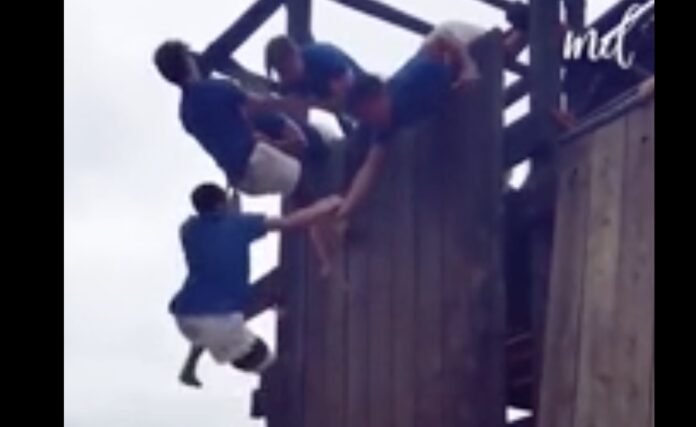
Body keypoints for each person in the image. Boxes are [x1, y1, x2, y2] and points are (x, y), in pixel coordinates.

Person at [337, 21, 527, 219]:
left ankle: (525, 26)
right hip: (446, 61)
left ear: (379, 98)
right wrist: (344, 212)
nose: (370, 121)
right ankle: (519, 28)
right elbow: (371, 167)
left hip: (455, 37)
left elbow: (441, 38)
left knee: (498, 55)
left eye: (368, 114)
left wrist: (467, 65)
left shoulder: (410, 83)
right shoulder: (385, 123)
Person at [170, 183, 342, 388]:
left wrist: (230, 212)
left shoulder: (189, 230)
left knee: (209, 330)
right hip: (218, 320)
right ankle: (273, 387)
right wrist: (325, 207)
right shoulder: (240, 225)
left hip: (185, 315)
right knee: (268, 365)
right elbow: (288, 222)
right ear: (221, 205)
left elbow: (220, 234)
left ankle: (189, 367)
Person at [264, 36, 365, 112]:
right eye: (281, 72)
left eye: (287, 70)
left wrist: (308, 105)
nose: (285, 78)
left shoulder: (323, 59)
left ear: (295, 55)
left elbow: (345, 98)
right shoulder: (289, 82)